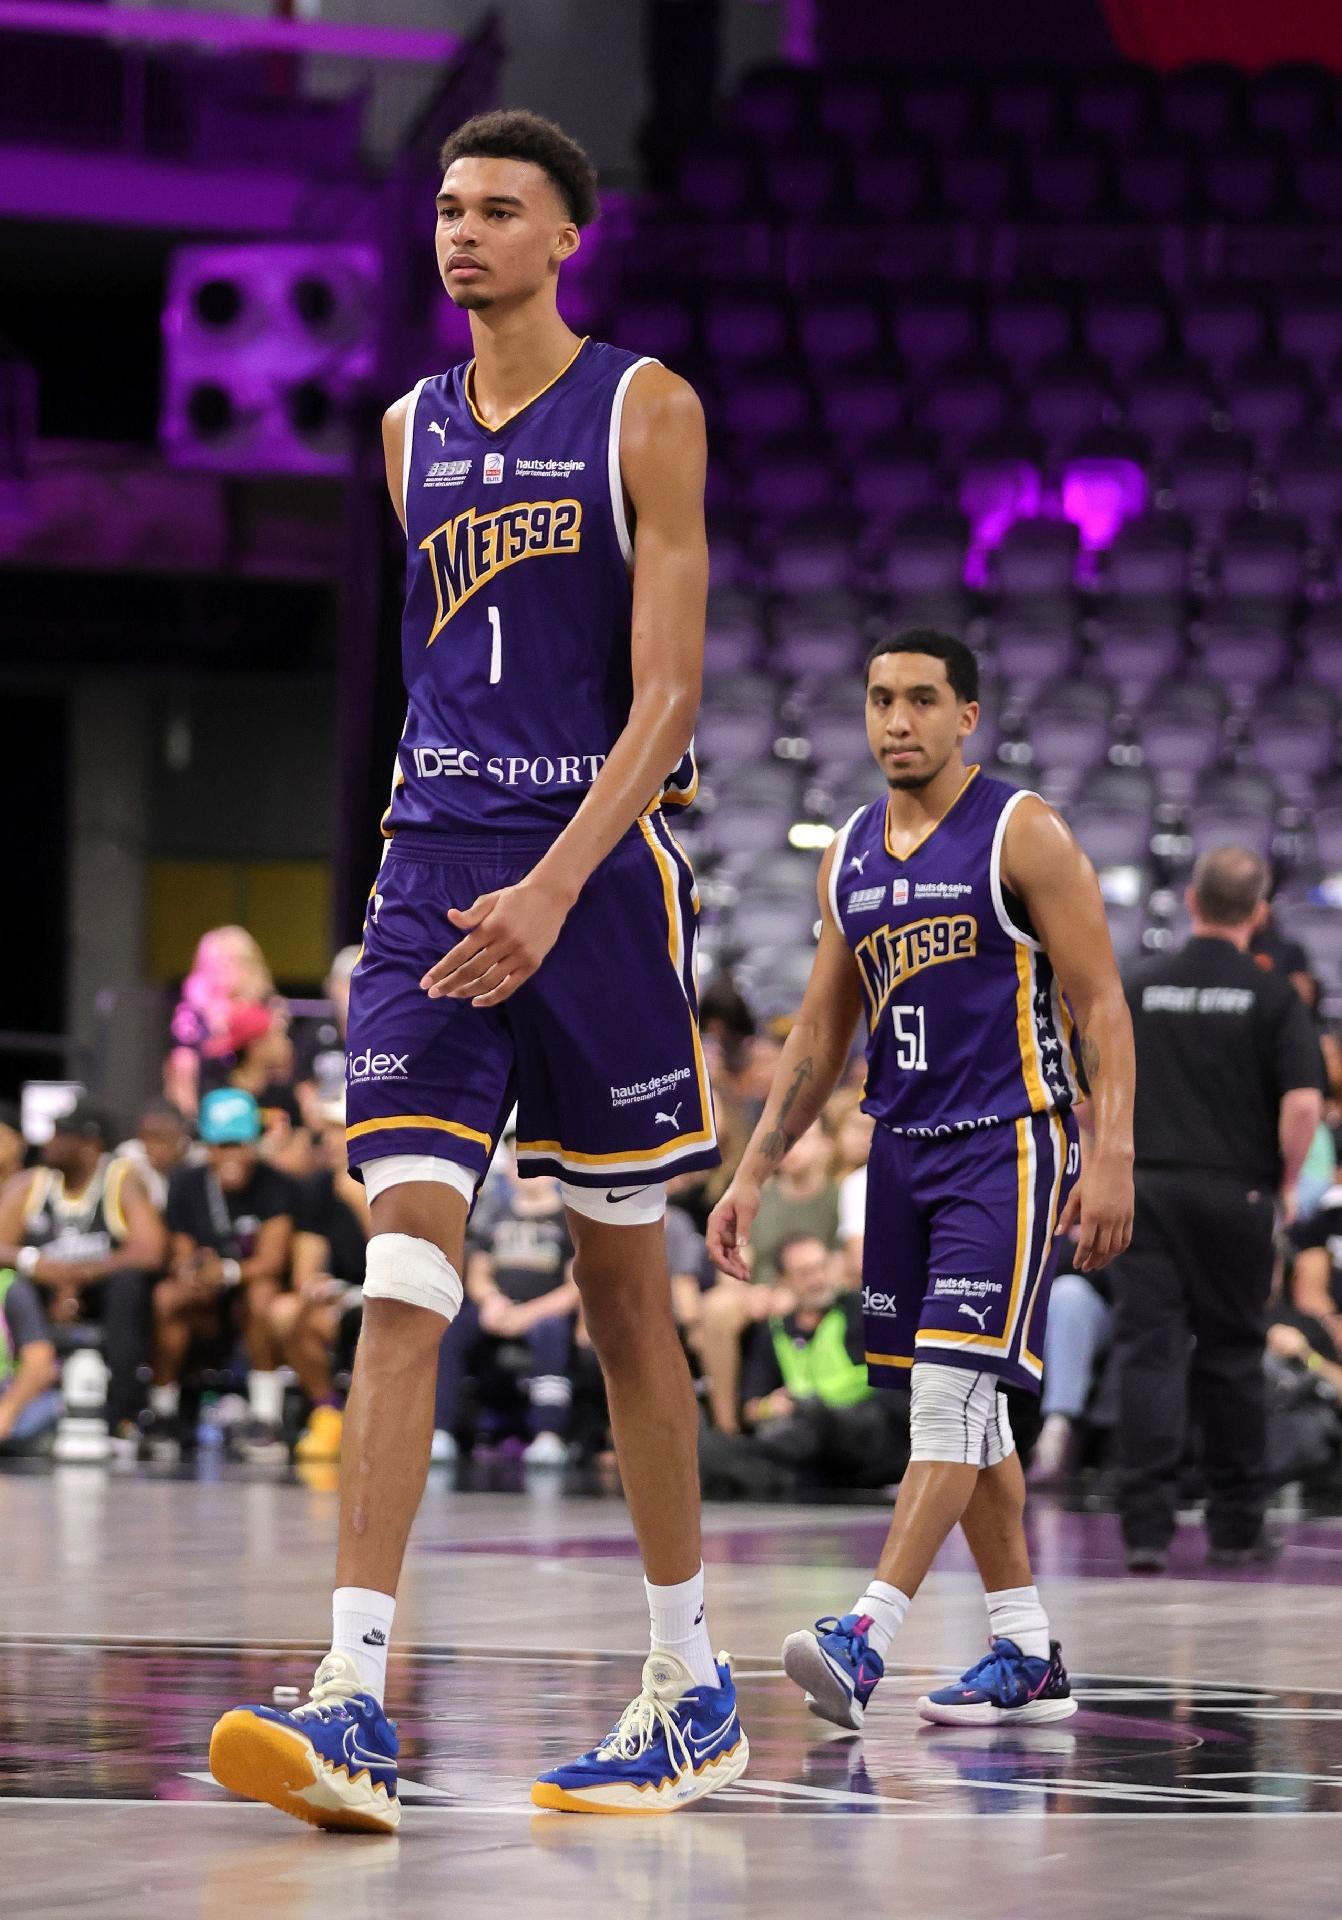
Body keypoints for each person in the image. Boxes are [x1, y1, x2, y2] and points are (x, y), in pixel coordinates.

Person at [209, 108, 746, 1831]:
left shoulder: (645, 408)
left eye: (497, 209)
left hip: (590, 882)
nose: (461, 233)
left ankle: (687, 1681)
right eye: (445, 208)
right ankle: (352, 1689)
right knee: (407, 1268)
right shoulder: (401, 431)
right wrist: (464, 883)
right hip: (432, 875)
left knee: (619, 1305)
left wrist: (551, 882)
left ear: (565, 237)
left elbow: (667, 697)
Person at [709, 629, 1135, 1731]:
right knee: (956, 1411)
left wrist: (1112, 1152)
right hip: (899, 1151)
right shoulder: (846, 850)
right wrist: (751, 1172)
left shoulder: (1022, 830)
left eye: (920, 701)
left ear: (966, 717)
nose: (895, 720)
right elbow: (816, 1032)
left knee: (949, 1394)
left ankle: (867, 1634)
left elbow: (1100, 1004)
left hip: (1009, 1141)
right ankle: (1026, 1651)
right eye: (878, 700)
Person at [1112, 846, 1323, 1572]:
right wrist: (1286, 1180)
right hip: (1236, 1191)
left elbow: (1088, 1089)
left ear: (1193, 902)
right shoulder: (1271, 995)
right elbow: (1302, 1102)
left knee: (1148, 1351)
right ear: (1258, 913)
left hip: (1147, 1191)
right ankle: (1236, 1525)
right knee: (1232, 1354)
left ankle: (1144, 1530)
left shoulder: (1140, 985)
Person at [0, 1099, 165, 1439]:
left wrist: (80, 1275)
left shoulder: (121, 1179)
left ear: (90, 1145)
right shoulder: (33, 1183)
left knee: (129, 1285)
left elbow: (150, 1251)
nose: (50, 1142)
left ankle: (122, 1412)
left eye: (62, 1135)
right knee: (12, 1283)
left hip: (102, 1294)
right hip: (42, 1294)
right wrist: (35, 1263)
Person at [155, 1088, 295, 1459]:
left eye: (239, 1144)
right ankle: (162, 1412)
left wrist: (228, 1272)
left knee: (263, 1292)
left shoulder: (275, 1183)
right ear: (207, 1147)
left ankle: (267, 1418)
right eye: (222, 1145)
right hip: (205, 1303)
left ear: (255, 1144)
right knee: (166, 1298)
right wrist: (192, 1271)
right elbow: (180, 1249)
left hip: (248, 1301)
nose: (231, 1155)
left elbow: (273, 1259)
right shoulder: (186, 1183)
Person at [434, 1154, 580, 1464]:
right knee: (452, 1327)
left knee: (552, 1330)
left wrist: (527, 1315)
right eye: (518, 1163)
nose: (527, 1170)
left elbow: (574, 1287)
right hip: (499, 1308)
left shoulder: (569, 1221)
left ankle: (549, 1434)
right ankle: (441, 1430)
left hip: (544, 1312)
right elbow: (477, 1271)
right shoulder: (496, 1216)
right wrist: (490, 1300)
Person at [696, 1120, 838, 1435]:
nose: (791, 1150)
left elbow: (840, 1265)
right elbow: (738, 1258)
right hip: (761, 1289)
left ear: (825, 1144)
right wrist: (749, 1293)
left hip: (812, 1286)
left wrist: (794, 1291)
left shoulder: (836, 1194)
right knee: (716, 1307)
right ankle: (727, 1428)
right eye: (783, 1142)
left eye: (801, 1139)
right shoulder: (758, 1196)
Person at [270, 1097, 371, 1464]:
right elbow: (305, 1265)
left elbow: (401, 1253)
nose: (329, 1140)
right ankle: (327, 1410)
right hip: (346, 1292)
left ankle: (373, 1424)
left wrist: (359, 1202)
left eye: (338, 1130)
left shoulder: (389, 1181)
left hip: (393, 1292)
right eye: (326, 1130)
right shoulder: (317, 1187)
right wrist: (314, 1284)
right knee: (285, 1311)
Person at [0, 1265, 61, 1450]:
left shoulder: (9, 1287)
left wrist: (8, 1410)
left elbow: (41, 1363)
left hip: (8, 1395)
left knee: (45, 1409)